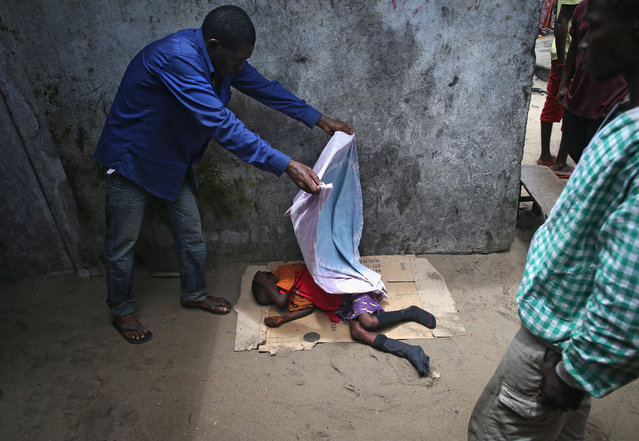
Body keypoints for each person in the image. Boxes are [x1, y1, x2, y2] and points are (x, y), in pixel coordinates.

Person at [94, 5, 353, 344]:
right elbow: (221, 124)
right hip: (132, 160)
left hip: (171, 163)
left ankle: (193, 293)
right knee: (121, 245)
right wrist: (286, 164)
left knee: (191, 238)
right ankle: (121, 308)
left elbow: (266, 89)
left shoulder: (224, 61)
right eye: (236, 60)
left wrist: (318, 119)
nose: (240, 68)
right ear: (213, 45)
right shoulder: (178, 60)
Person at [468, 0, 639, 438]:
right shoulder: (626, 111)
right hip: (567, 335)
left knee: (493, 431)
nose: (580, 40)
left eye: (593, 27)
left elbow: (631, 291)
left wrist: (575, 371)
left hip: (556, 347)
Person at [252, 264, 437, 376]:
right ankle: (409, 350)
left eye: (269, 295)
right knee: (358, 333)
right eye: (268, 300)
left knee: (368, 322)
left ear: (270, 280)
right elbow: (307, 308)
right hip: (342, 304)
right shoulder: (293, 296)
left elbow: (280, 300)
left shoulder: (285, 273)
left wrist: (265, 283)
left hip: (348, 286)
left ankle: (410, 312)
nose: (272, 299)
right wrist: (282, 320)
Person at [550, 0, 628, 177]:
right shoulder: (582, 8)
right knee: (577, 148)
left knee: (601, 163)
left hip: (612, 100)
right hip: (580, 95)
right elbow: (575, 49)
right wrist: (563, 85)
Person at [537, 0, 582, 167]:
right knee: (569, 106)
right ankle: (560, 161)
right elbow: (562, 21)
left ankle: (549, 156)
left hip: (566, 54)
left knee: (558, 101)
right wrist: (563, 62)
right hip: (569, 54)